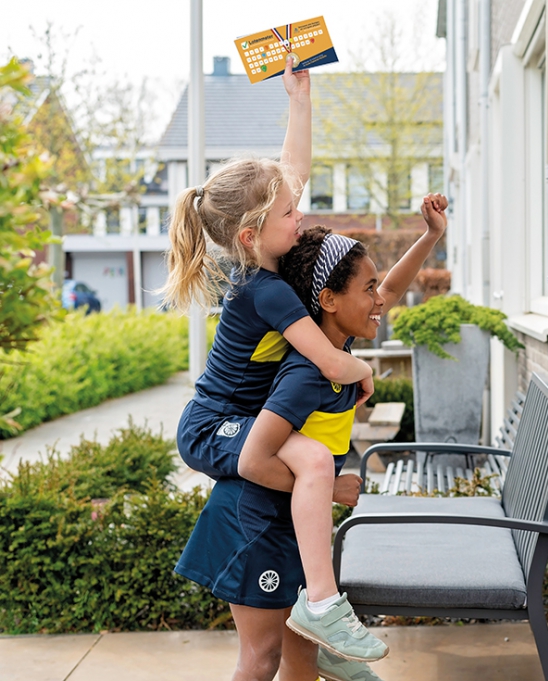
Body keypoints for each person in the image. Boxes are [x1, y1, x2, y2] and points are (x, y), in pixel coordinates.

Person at [163, 56, 383, 675]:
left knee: (310, 460)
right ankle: (322, 600)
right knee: (312, 458)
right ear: (251, 234)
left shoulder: (264, 261)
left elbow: (293, 171)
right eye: (290, 214)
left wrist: (300, 99)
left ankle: (317, 608)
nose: (302, 215)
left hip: (234, 419)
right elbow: (326, 360)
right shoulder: (270, 291)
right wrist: (360, 371)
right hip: (212, 424)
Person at [179, 198, 447, 681]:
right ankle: (325, 614)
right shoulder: (309, 371)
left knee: (300, 664)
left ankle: (326, 629)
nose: (381, 299)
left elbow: (387, 289)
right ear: (328, 301)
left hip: (293, 526)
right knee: (262, 661)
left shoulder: (337, 344)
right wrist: (334, 487)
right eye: (367, 289)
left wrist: (429, 238)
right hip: (254, 520)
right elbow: (255, 459)